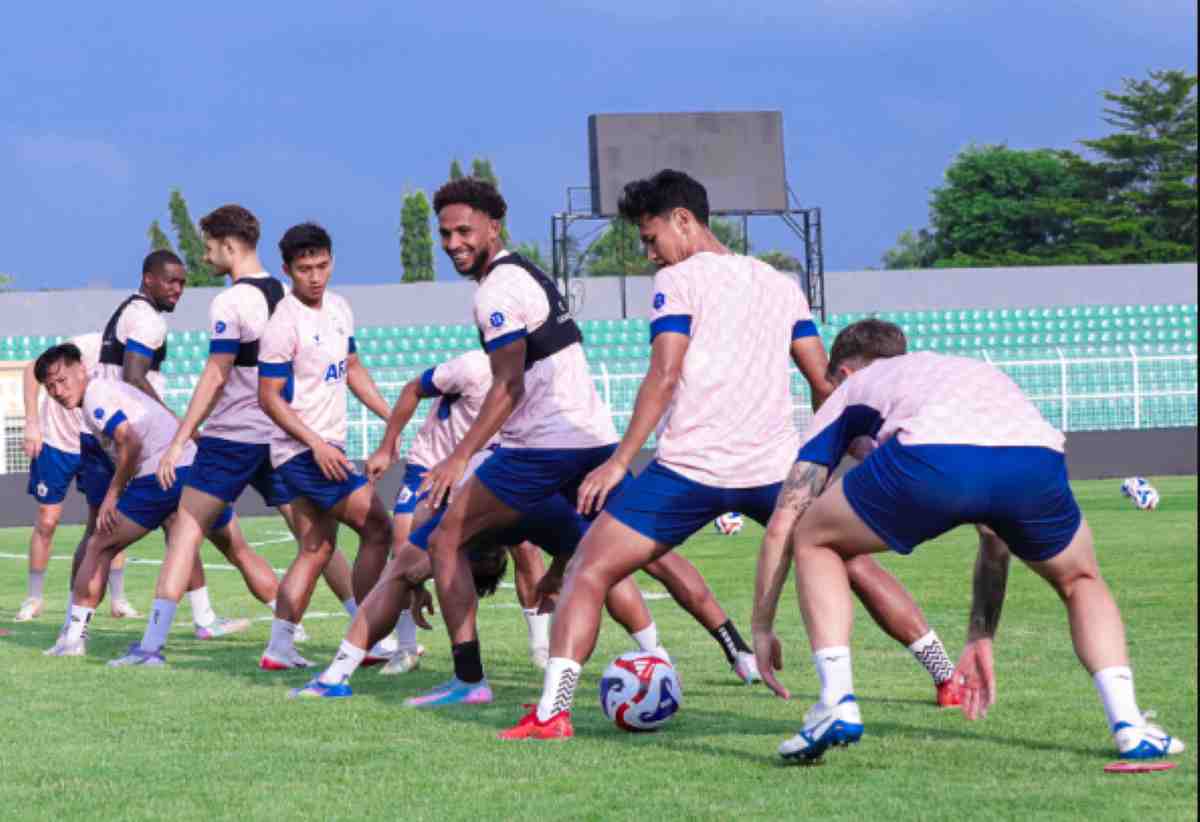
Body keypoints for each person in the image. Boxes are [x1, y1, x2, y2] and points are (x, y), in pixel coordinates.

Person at [500, 170, 956, 741]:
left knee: (590, 567)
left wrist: (619, 461)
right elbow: (822, 381)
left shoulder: (678, 280)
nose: (649, 254)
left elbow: (664, 377)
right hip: (774, 471)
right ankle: (947, 677)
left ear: (683, 220)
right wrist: (866, 448)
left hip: (691, 469)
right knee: (852, 562)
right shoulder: (780, 283)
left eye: (650, 237)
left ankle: (553, 713)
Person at [752, 319, 1185, 763]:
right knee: (1081, 579)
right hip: (1035, 457)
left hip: (934, 455)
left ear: (842, 374)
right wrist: (981, 636)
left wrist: (763, 627)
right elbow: (994, 529)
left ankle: (836, 701)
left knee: (814, 538)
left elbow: (785, 517)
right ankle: (1130, 724)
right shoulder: (959, 371)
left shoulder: (848, 391)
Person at [112, 207, 356, 667]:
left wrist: (182, 437)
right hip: (283, 435)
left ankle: (151, 646)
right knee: (315, 538)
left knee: (186, 528)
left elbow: (216, 375)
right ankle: (368, 629)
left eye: (208, 247)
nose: (205, 256)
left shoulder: (230, 303)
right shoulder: (289, 294)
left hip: (232, 437)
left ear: (228, 245)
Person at [290, 455, 673, 701]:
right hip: (543, 484)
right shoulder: (530, 533)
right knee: (604, 568)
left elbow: (423, 529)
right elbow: (572, 552)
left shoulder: (455, 521)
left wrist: (417, 582)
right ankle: (658, 656)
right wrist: (556, 575)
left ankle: (337, 676)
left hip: (506, 477)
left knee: (399, 571)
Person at [34, 343, 238, 658]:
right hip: (190, 467)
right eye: (50, 387)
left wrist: (113, 495)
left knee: (99, 544)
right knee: (211, 546)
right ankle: (280, 627)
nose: (58, 391)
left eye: (62, 380)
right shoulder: (106, 390)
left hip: (162, 473)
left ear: (82, 369)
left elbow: (131, 441)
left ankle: (73, 638)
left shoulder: (95, 397)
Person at [255, 222, 394, 670]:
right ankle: (367, 636)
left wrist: (392, 416)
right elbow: (268, 396)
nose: (315, 276)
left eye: (321, 265)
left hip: (324, 447)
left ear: (332, 261)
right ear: (287, 271)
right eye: (304, 269)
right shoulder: (282, 324)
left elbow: (352, 367)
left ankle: (278, 648)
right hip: (302, 452)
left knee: (315, 548)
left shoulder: (339, 308)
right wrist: (314, 443)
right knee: (377, 526)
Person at [17, 332, 138, 621]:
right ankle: (34, 598)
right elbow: (31, 370)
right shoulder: (92, 345)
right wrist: (32, 422)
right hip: (56, 443)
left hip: (95, 442)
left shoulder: (136, 362)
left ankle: (118, 599)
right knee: (47, 521)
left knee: (108, 519)